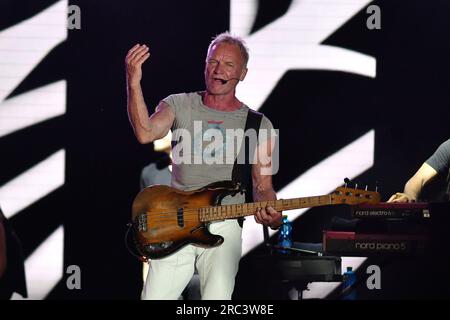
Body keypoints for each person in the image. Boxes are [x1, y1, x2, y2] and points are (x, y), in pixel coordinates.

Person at [125, 32, 282, 300]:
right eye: (213, 62)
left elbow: (262, 186)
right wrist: (133, 81)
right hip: (176, 221)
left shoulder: (260, 125)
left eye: (228, 65)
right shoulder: (178, 104)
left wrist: (273, 214)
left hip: (225, 224)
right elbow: (145, 133)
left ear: (243, 74)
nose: (218, 70)